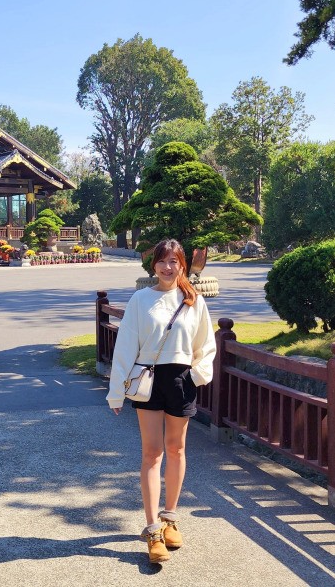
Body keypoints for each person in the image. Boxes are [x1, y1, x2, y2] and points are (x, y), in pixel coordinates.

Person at [106, 239, 216, 565]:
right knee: (152, 453)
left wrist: (196, 376)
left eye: (175, 262)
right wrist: (116, 391)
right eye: (163, 262)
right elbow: (125, 346)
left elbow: (205, 345)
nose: (168, 268)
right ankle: (153, 529)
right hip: (149, 381)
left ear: (183, 265)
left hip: (181, 380)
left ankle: (170, 518)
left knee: (177, 449)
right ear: (153, 264)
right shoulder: (141, 300)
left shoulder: (193, 301)